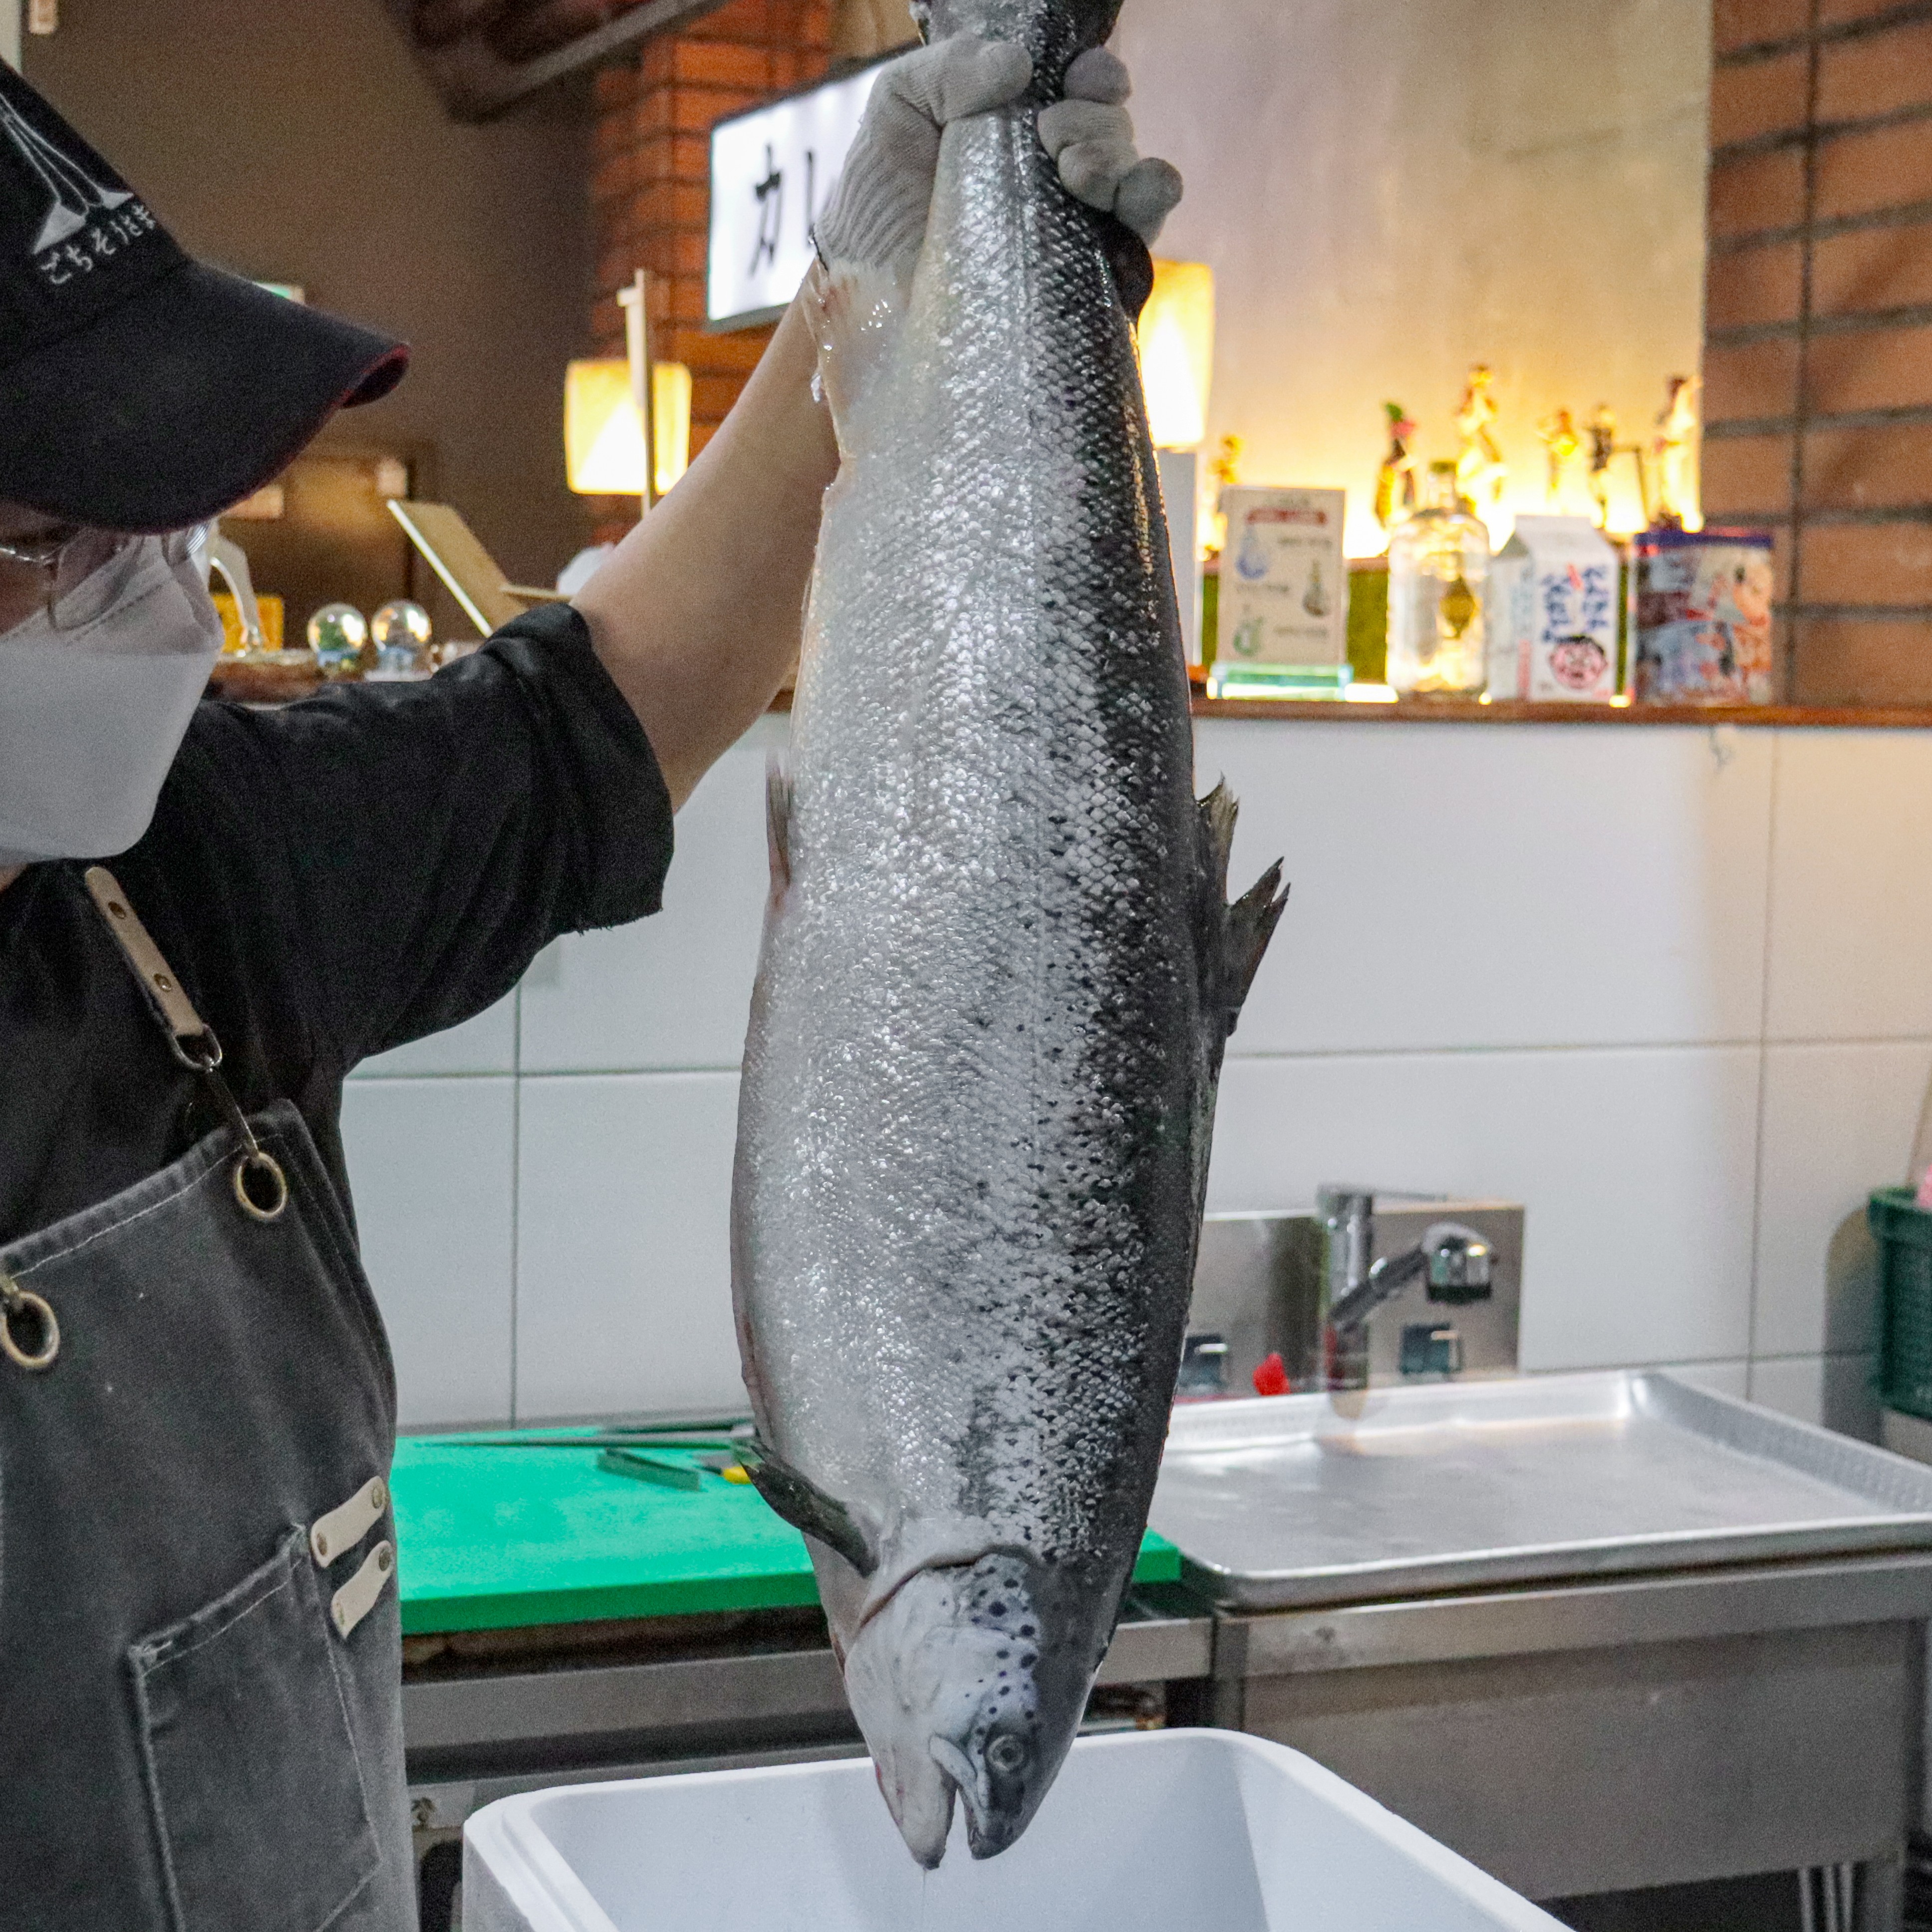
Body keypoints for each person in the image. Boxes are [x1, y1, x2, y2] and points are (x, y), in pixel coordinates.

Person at [0, 30, 1179, 1932]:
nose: (164, 595)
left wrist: (874, 293)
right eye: (59, 533)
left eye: (167, 516)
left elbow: (596, 713)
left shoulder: (194, 871)